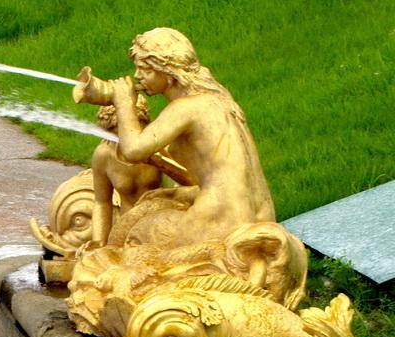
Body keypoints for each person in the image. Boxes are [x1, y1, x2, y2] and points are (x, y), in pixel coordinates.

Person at [91, 27, 274, 249]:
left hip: (222, 220)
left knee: (136, 231)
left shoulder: (185, 108)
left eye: (145, 69)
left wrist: (123, 103)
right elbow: (223, 177)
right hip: (261, 217)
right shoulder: (220, 100)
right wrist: (180, 192)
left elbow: (132, 150)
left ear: (168, 73)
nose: (137, 76)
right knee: (162, 202)